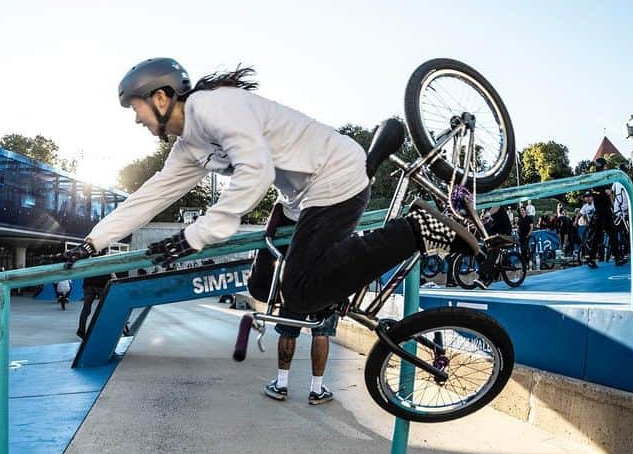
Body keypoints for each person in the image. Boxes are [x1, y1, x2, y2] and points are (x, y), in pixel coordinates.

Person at [60, 58, 479, 325]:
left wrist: (198, 234)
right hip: (297, 197)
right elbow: (149, 197)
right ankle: (330, 288)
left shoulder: (215, 107)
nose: (138, 121)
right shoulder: (190, 147)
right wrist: (93, 241)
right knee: (262, 286)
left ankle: (417, 230)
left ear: (162, 96)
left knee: (299, 292)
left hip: (334, 178)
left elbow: (255, 173)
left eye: (136, 110)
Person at [585, 158, 623, 267]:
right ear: (601, 165)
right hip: (600, 211)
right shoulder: (596, 177)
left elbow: (609, 193)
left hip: (607, 211)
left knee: (613, 233)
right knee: (597, 236)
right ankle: (591, 258)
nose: (606, 167)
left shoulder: (605, 177)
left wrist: (612, 207)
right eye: (605, 165)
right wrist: (603, 192)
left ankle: (617, 257)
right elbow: (593, 191)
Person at [77, 271, 112, 338]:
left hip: (89, 284)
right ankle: (103, 329)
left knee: (86, 309)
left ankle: (81, 330)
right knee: (104, 308)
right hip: (102, 284)